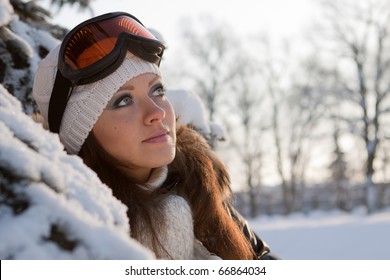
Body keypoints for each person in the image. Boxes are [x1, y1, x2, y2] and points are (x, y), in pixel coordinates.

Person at [32, 12, 277, 260]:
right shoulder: (76, 239)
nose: (157, 112)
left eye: (157, 90)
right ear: (82, 135)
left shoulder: (200, 195)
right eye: (123, 100)